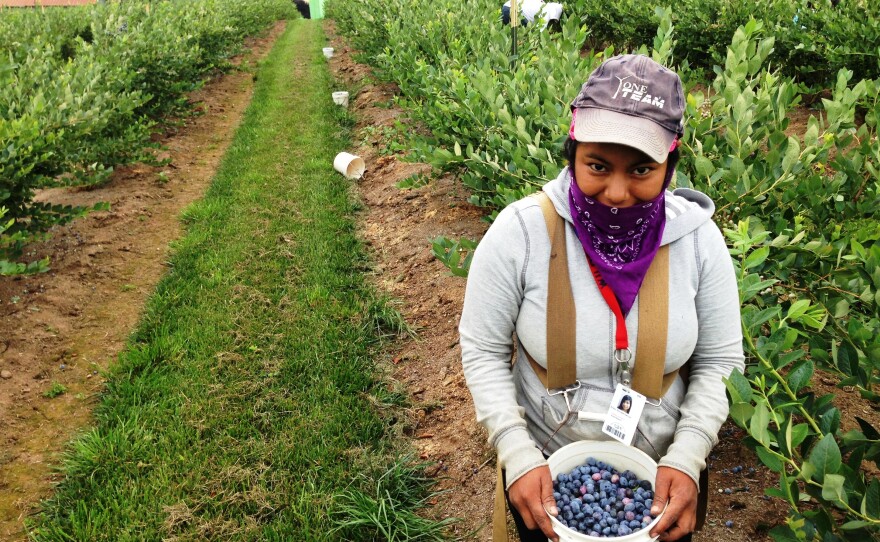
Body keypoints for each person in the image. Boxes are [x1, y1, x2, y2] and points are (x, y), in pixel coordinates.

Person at [459, 54, 745, 542]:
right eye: (597, 165)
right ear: (572, 152)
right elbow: (482, 350)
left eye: (641, 169)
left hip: (658, 483)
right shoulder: (522, 233)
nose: (616, 192)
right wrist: (518, 453)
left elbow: (720, 359)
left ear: (670, 165)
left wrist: (688, 454)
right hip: (548, 478)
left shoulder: (699, 241)